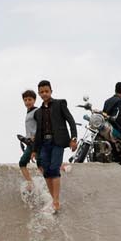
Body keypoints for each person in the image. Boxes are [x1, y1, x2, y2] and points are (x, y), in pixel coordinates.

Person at [34, 80, 79, 214]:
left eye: (46, 91)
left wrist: (74, 139)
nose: (44, 94)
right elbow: (38, 132)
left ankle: (56, 201)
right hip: (44, 144)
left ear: (51, 91)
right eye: (41, 92)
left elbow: (71, 121)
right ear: (39, 94)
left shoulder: (60, 103)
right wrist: (34, 150)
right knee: (46, 171)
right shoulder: (38, 112)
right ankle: (53, 200)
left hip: (58, 142)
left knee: (54, 169)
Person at [17, 89, 38, 183]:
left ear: (34, 100)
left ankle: (50, 180)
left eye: (30, 99)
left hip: (36, 142)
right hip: (29, 143)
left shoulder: (37, 111)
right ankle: (31, 183)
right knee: (22, 163)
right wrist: (24, 138)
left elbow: (41, 127)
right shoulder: (29, 112)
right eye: (25, 100)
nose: (27, 102)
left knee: (42, 163)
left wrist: (35, 138)